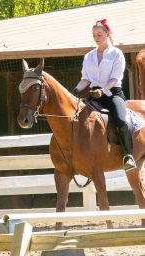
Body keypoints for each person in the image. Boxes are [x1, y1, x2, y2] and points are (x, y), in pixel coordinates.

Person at [73, 19, 136, 172]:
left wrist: (103, 90)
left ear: (107, 34)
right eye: (94, 35)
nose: (96, 38)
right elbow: (85, 79)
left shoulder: (117, 54)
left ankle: (129, 156)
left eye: (99, 34)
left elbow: (115, 78)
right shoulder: (88, 56)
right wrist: (74, 91)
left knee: (121, 120)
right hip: (94, 95)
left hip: (113, 94)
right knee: (78, 118)